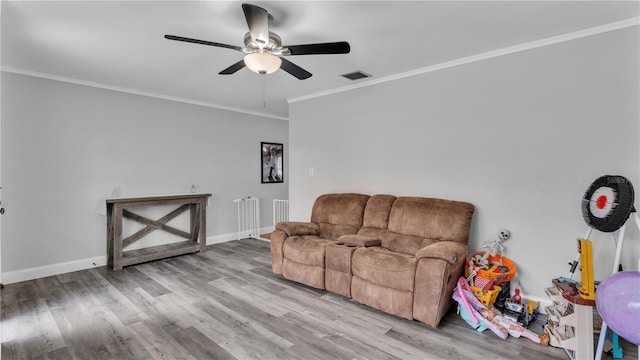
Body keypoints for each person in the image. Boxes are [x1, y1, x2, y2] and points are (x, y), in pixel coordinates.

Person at [480, 308, 550, 346]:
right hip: (515, 330)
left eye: (489, 310)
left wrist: (516, 323)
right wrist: (516, 328)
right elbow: (507, 325)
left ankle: (539, 336)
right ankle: (541, 341)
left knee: (528, 332)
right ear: (489, 318)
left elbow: (508, 321)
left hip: (516, 326)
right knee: (529, 335)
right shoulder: (497, 320)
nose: (491, 311)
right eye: (489, 312)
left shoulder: (497, 317)